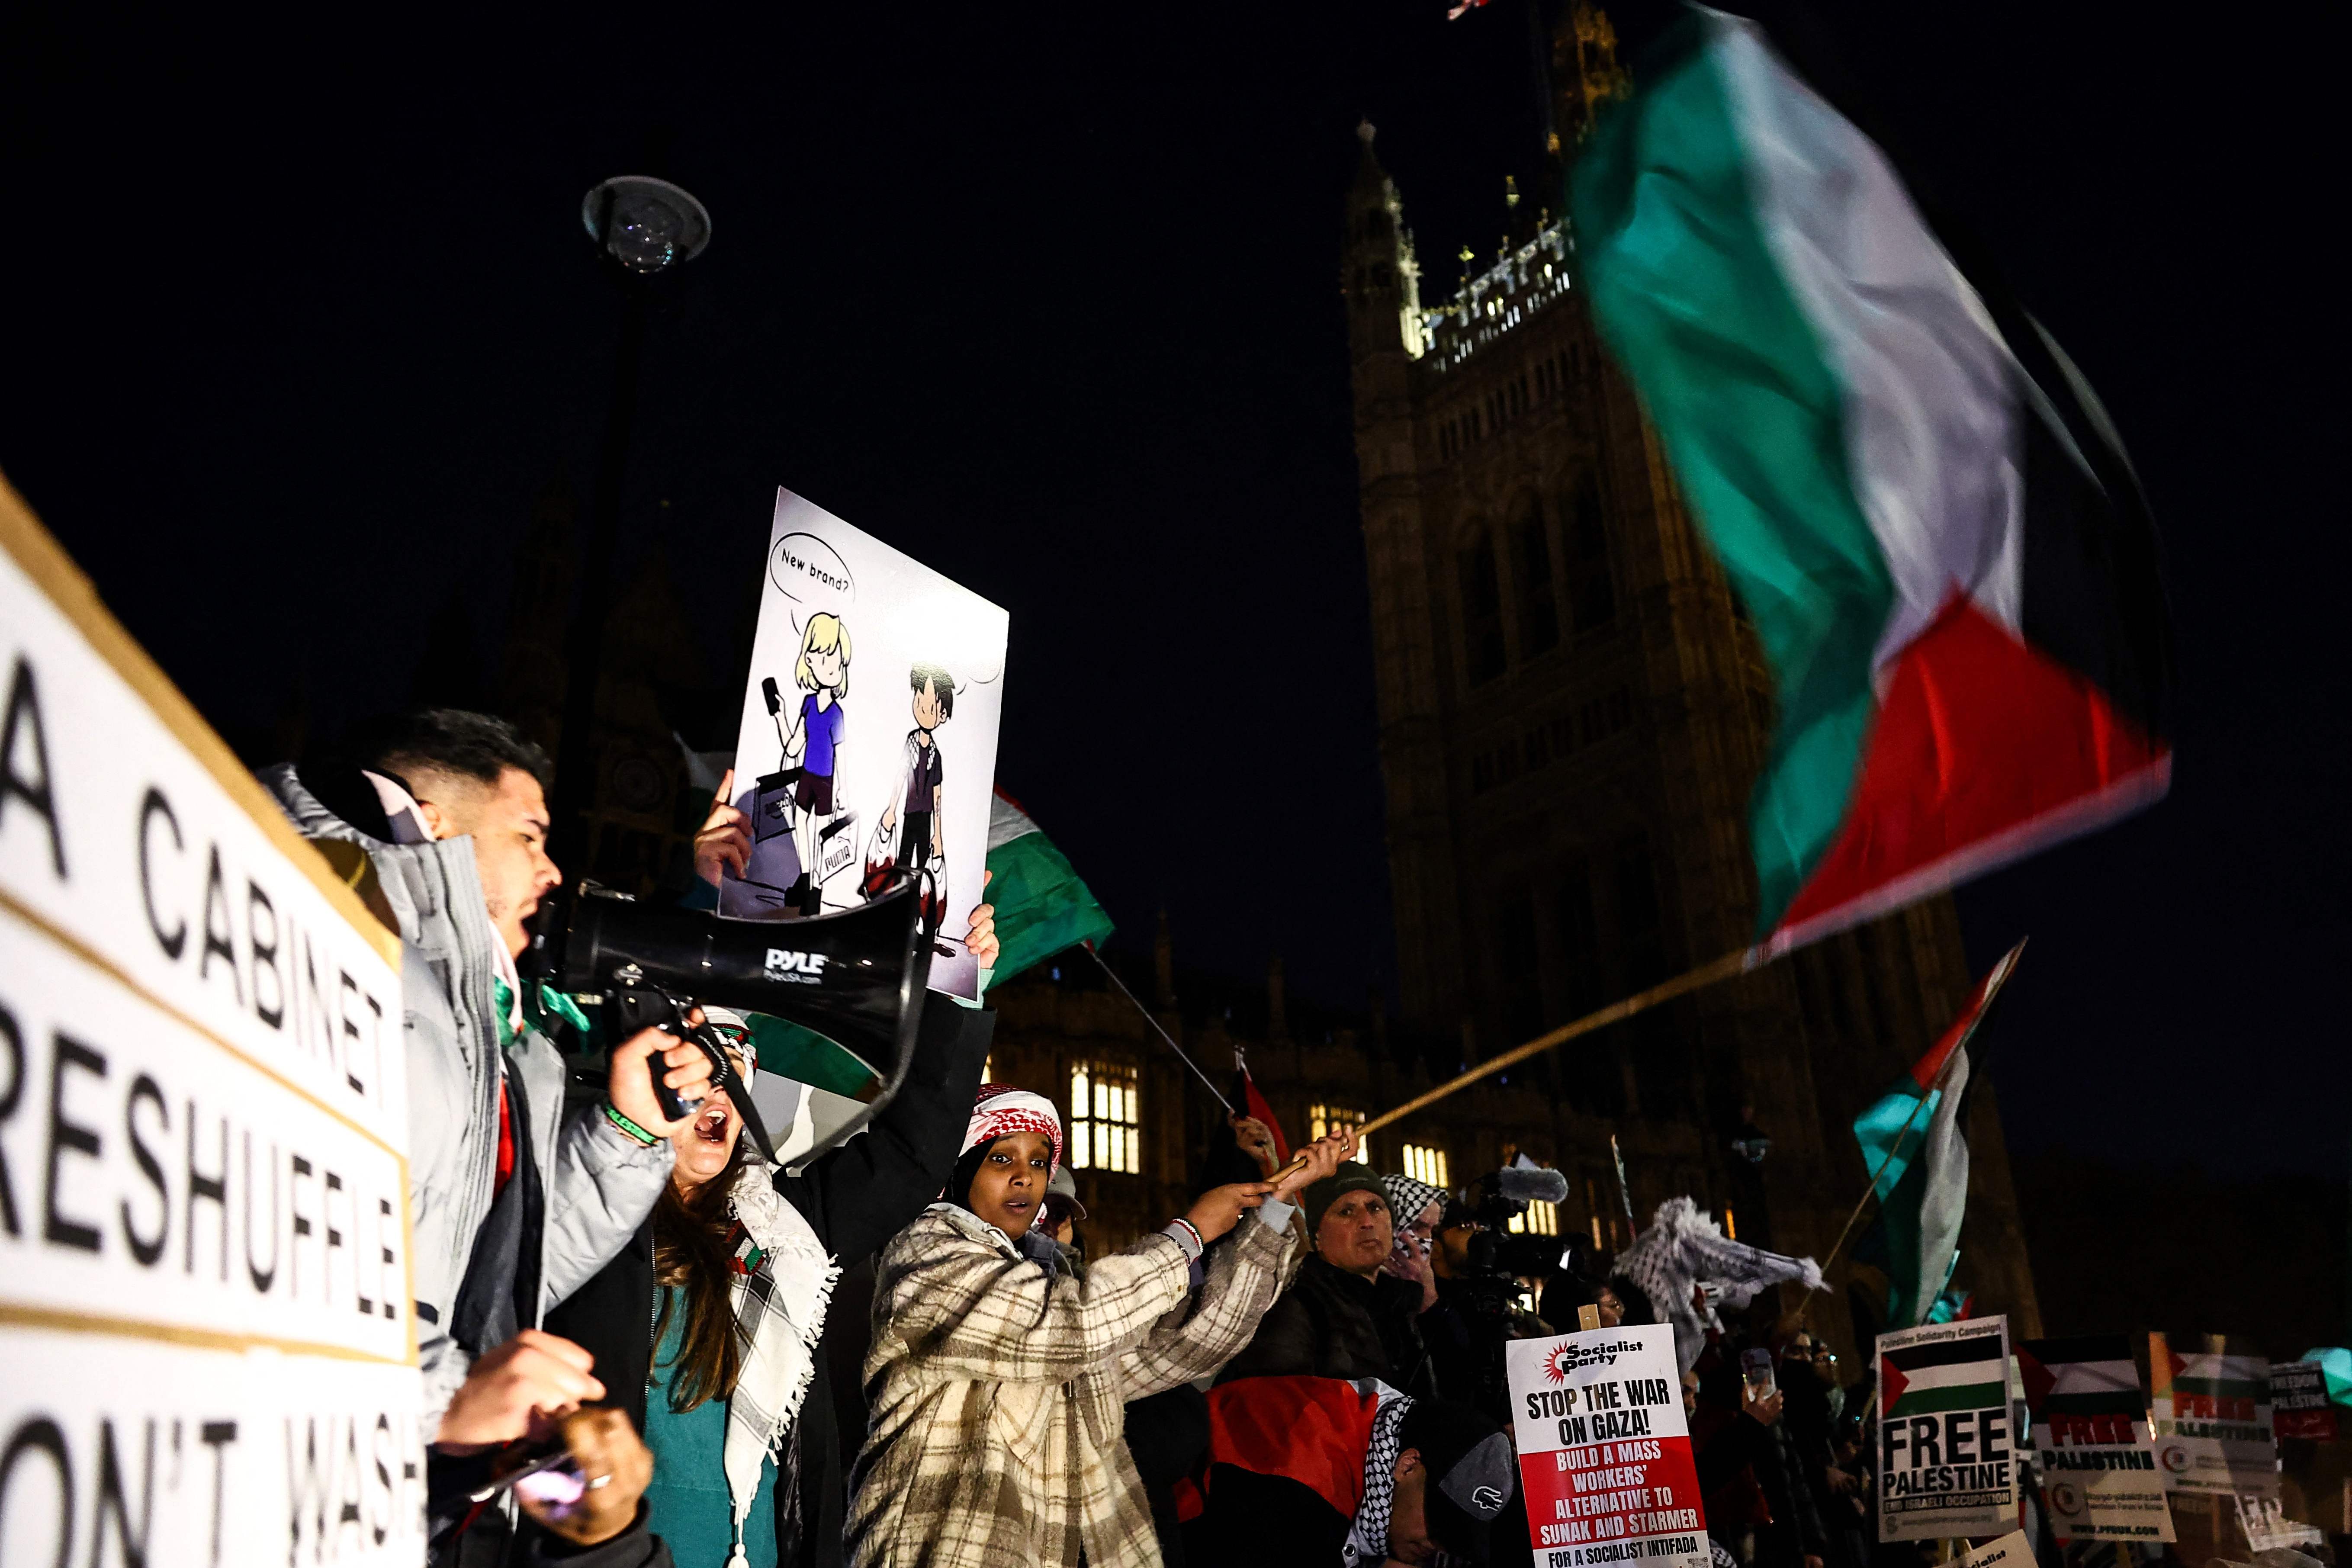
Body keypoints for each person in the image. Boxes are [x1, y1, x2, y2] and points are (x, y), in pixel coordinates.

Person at [545, 803, 1000, 1568]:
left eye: (732, 1071)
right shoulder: (587, 1217)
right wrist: (704, 898)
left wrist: (955, 979)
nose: (715, 1091)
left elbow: (916, 1150)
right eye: (697, 1066)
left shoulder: (784, 1225)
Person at [260, 713, 713, 1450]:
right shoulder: (327, 943)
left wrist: (628, 1130)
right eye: (528, 835)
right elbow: (261, 1240)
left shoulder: (505, 1040)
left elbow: (499, 1280)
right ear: (434, 825)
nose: (553, 869)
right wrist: (436, 1402)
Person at [844, 1086, 1356, 1568]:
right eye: (1002, 1158)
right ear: (960, 1167)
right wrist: (1188, 1234)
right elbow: (1068, 1323)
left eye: (1039, 1162)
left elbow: (1182, 1345)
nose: (1026, 1177)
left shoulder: (1055, 1283)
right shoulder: (928, 1255)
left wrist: (1276, 1207)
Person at [1183, 1375, 1518, 1567]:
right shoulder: (1301, 1498)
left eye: (1455, 1538)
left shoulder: (1374, 1417)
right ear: (1408, 1465)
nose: (1438, 1546)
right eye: (1439, 1524)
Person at [1217, 1163, 1452, 1401]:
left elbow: (1459, 1386)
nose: (1367, 1222)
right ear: (1317, 1236)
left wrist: (1430, 1305)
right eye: (1346, 1212)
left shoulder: (1407, 1301)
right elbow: (1285, 1409)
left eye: (1376, 1208)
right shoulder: (1295, 1306)